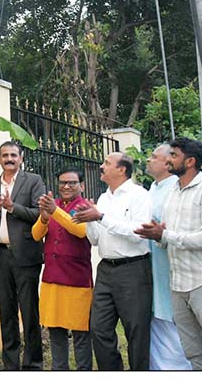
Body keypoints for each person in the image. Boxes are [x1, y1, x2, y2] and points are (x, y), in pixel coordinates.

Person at [135, 137, 202, 370]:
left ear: (190, 161)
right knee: (193, 352)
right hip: (177, 283)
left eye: (173, 156)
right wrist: (156, 235)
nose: (168, 160)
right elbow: (168, 235)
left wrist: (164, 236)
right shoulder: (173, 192)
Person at [72, 152, 152, 371]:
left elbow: (139, 233)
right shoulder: (103, 197)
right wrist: (88, 218)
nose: (101, 166)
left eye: (107, 163)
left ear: (121, 170)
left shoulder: (139, 195)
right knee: (98, 329)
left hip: (133, 269)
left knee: (136, 331)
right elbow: (95, 240)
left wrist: (100, 217)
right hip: (106, 269)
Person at [0, 141, 46, 370]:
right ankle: (11, 365)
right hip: (0, 256)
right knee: (6, 312)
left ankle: (33, 364)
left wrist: (11, 206)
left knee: (29, 312)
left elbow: (39, 214)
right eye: (5, 155)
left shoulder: (33, 181)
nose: (9, 159)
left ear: (21, 157)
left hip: (27, 256)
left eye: (13, 155)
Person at [32, 168, 94, 370]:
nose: (66, 186)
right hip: (52, 278)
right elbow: (35, 235)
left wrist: (54, 212)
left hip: (77, 280)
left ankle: (83, 372)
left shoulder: (85, 207)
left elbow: (80, 230)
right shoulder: (54, 205)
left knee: (80, 333)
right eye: (62, 183)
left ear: (81, 186)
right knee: (55, 330)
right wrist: (43, 217)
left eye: (72, 183)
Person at [145, 145, 192, 370]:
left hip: (171, 265)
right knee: (156, 320)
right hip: (150, 266)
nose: (148, 160)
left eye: (154, 157)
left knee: (173, 322)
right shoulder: (151, 189)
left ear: (167, 163)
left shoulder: (176, 189)